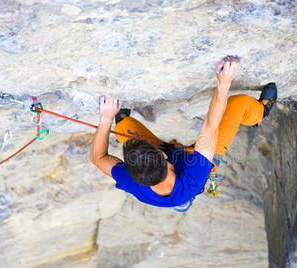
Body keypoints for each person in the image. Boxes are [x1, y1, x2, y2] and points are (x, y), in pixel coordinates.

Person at [90, 56, 277, 212]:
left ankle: (125, 127)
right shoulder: (194, 173)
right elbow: (210, 125)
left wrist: (106, 119)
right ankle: (260, 113)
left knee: (123, 127)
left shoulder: (132, 180)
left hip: (169, 160)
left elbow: (98, 158)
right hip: (198, 157)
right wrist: (224, 82)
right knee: (240, 103)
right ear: (162, 156)